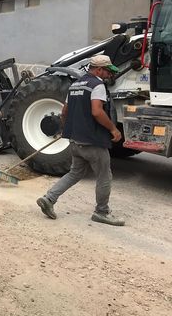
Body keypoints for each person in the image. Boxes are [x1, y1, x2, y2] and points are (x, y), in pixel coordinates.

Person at [36, 54, 125, 226]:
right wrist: (113, 129)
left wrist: (70, 129)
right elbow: (97, 112)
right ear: (98, 69)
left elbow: (64, 112)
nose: (109, 75)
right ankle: (102, 212)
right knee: (104, 176)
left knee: (75, 173)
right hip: (93, 142)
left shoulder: (75, 85)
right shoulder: (97, 85)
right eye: (107, 71)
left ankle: (49, 198)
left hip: (76, 141)